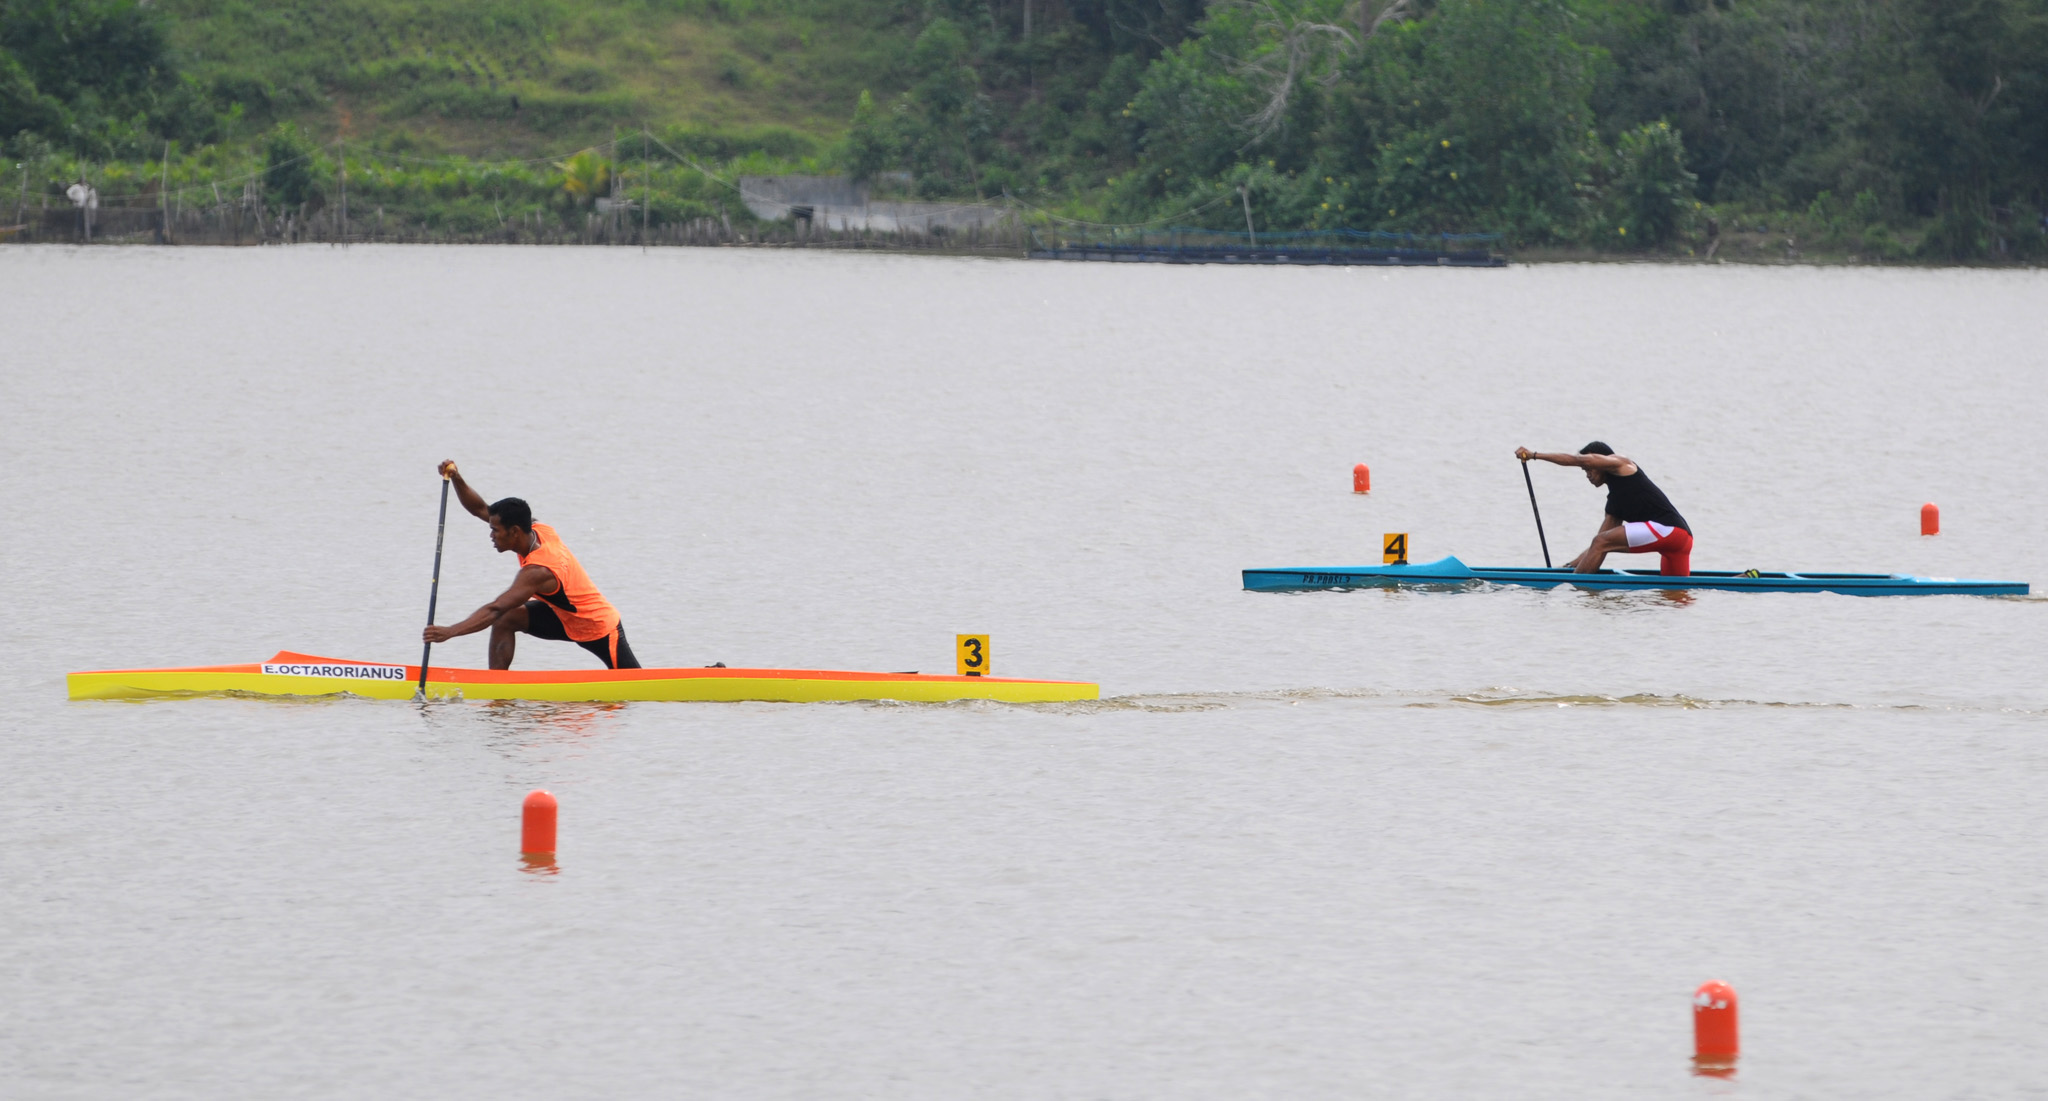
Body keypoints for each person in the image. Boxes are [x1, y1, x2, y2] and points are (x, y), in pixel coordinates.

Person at [421, 461, 642, 669]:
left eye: (495, 530)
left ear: (515, 531)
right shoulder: (537, 529)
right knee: (508, 618)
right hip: (563, 617)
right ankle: (497, 689)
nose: (491, 535)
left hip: (597, 626)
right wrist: (457, 478)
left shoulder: (537, 571)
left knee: (636, 687)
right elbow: (481, 509)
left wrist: (450, 632)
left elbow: (495, 608)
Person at [1515, 443, 1692, 576]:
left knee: (1601, 542)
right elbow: (1595, 547)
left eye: (1588, 469)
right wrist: (1567, 567)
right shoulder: (1614, 503)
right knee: (1676, 596)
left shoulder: (1622, 465)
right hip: (1681, 542)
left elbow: (1600, 543)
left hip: (1671, 532)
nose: (1588, 475)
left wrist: (1534, 455)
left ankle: (1574, 588)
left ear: (1598, 462)